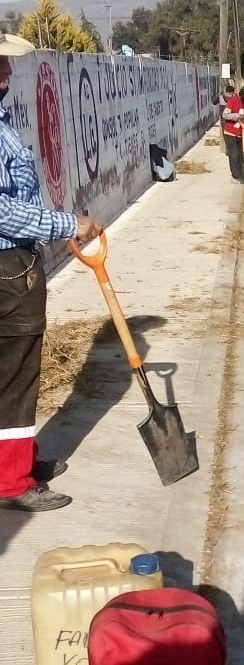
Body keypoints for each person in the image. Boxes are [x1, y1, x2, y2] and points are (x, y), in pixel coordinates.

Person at [0, 34, 103, 512]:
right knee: (15, 373)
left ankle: (18, 458)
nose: (7, 73)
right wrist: (66, 223)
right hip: (6, 267)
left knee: (16, 370)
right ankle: (10, 481)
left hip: (16, 260)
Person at [221, 84, 244, 181]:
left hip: (241, 133)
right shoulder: (233, 100)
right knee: (234, 155)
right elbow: (225, 115)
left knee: (242, 155)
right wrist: (237, 116)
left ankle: (241, 173)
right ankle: (236, 175)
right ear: (241, 95)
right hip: (230, 132)